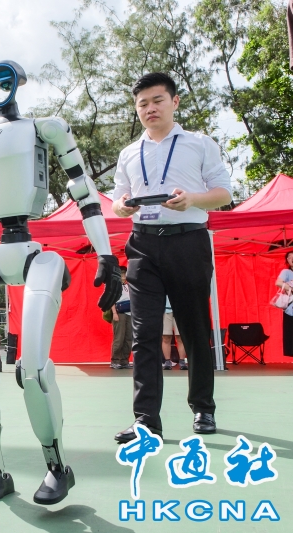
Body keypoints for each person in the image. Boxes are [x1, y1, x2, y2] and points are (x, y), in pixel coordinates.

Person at [111, 72, 232, 443]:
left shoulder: (199, 143)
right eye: (143, 103)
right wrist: (122, 207)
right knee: (144, 334)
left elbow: (224, 193)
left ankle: (203, 407)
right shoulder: (129, 153)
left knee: (194, 329)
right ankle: (146, 420)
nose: (150, 108)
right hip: (142, 245)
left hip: (188, 241)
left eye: (157, 100)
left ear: (174, 102)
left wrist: (193, 199)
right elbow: (116, 200)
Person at [110, 266, 133, 370]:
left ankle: (124, 360)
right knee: (119, 337)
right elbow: (111, 300)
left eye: (125, 273)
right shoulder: (115, 286)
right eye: (121, 273)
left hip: (130, 313)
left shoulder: (129, 286)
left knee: (128, 338)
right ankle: (115, 360)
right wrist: (114, 313)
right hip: (120, 313)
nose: (123, 276)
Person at [162, 297, 187, 370]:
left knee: (181, 337)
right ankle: (167, 361)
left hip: (180, 309)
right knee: (166, 337)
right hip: (165, 309)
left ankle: (182, 361)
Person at [277, 251, 293, 356]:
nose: (292, 258)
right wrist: (291, 288)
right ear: (287, 260)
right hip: (291, 310)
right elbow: (278, 282)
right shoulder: (286, 272)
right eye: (290, 257)